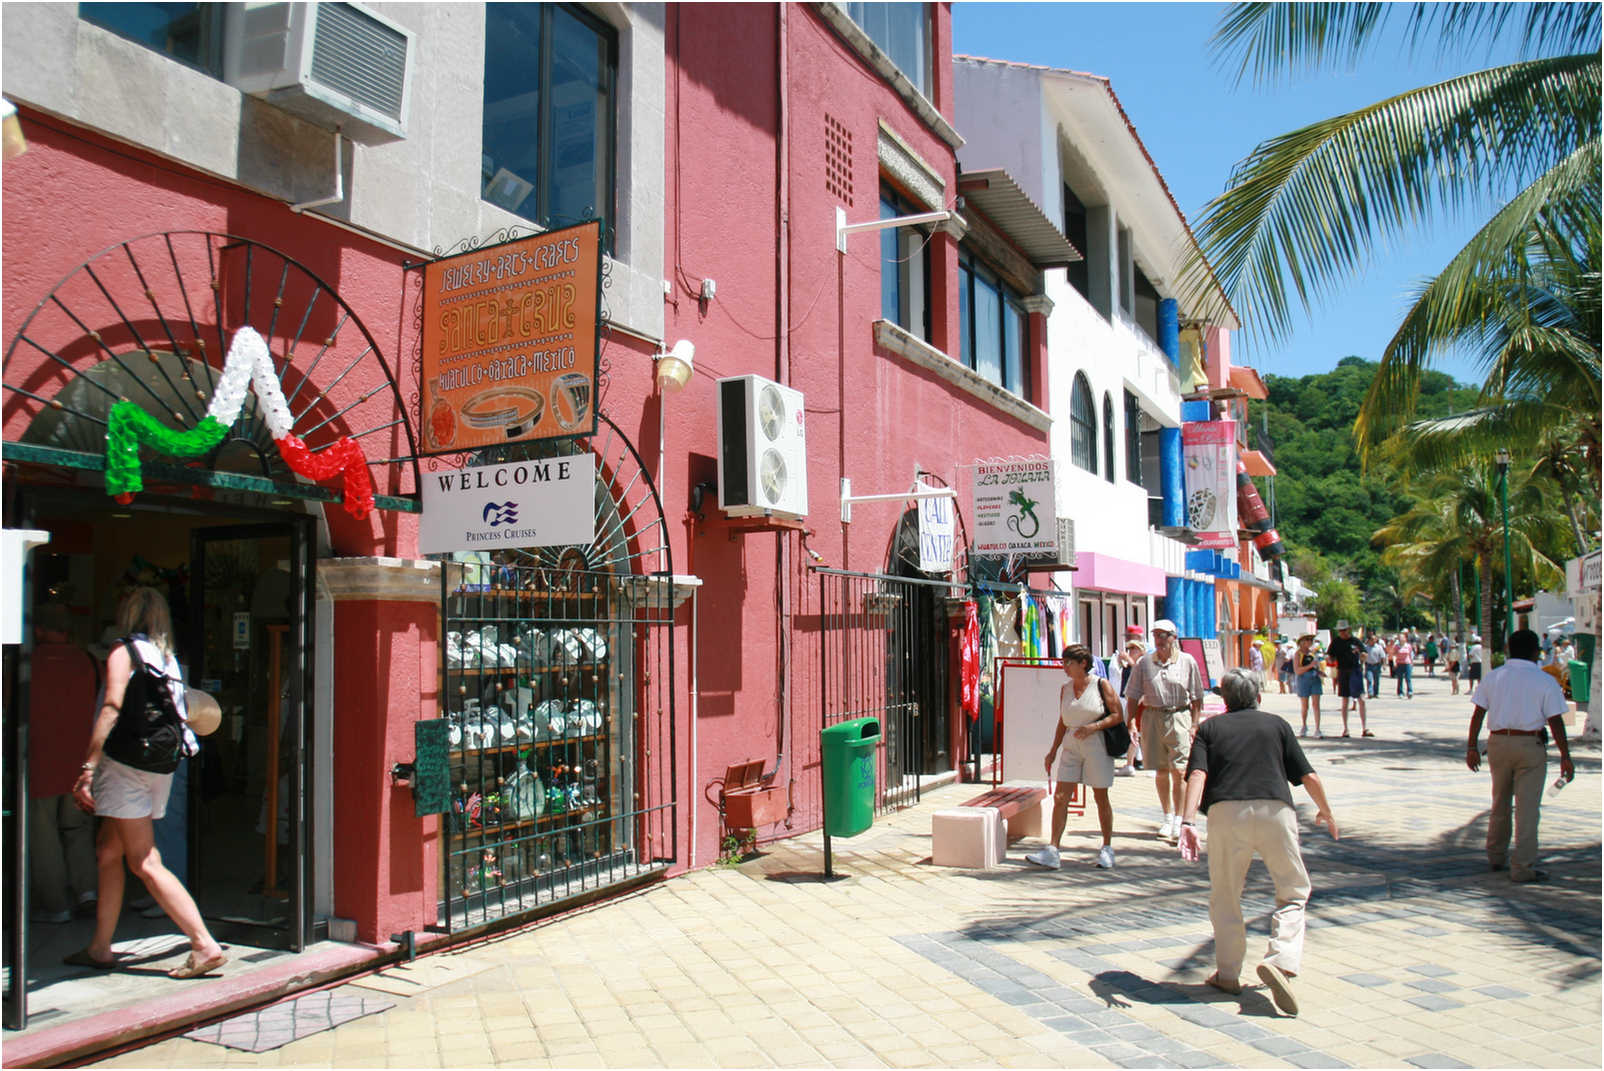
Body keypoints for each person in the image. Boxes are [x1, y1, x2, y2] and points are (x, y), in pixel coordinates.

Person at [70, 587, 227, 979]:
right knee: (109, 849)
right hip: (159, 764)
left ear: (126, 613)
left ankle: (203, 944)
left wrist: (88, 766)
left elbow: (111, 707)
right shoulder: (168, 658)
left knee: (144, 860)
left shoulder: (124, 652)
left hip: (125, 765)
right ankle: (100, 947)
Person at [1175, 668, 1338, 1016]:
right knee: (1293, 891)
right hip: (1275, 811)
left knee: (1225, 894)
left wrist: (1187, 821)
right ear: (1258, 697)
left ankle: (1229, 974)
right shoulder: (1277, 725)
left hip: (1225, 814)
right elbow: (1307, 775)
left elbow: (1198, 774)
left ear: (1224, 699)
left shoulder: (1209, 728)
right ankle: (1281, 959)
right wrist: (1326, 811)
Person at [1465, 629, 1573, 883]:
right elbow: (1556, 721)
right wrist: (1566, 756)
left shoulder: (1494, 677)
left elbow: (1478, 714)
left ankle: (1495, 855)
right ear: (1536, 651)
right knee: (1527, 809)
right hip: (1530, 745)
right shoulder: (1545, 680)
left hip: (1498, 743)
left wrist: (1471, 747)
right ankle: (1522, 867)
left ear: (1509, 650)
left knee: (1500, 801)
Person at [27, 602, 101, 924]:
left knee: (43, 836)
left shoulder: (27, 663)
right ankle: (87, 892)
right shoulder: (90, 662)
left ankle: (56, 905)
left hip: (39, 759)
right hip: (81, 761)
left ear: (39, 629)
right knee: (78, 831)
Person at [1026, 645, 1123, 869]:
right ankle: (1053, 849)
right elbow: (1063, 720)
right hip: (1071, 743)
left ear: (1083, 663)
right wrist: (1053, 751)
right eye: (1063, 662)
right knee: (1061, 797)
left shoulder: (1101, 685)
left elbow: (1118, 714)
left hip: (1096, 743)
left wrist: (1094, 727)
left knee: (1100, 796)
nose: (1064, 667)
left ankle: (1107, 847)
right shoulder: (1065, 688)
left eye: (1068, 663)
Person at [1129, 619, 1205, 841]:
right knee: (1161, 770)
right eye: (1157, 635)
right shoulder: (1144, 663)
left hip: (1179, 715)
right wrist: (1131, 722)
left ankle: (1181, 818)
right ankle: (1167, 816)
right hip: (1152, 716)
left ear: (1174, 638)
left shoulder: (1187, 661)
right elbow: (1132, 694)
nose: (1160, 640)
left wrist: (1194, 724)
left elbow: (1197, 696)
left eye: (1165, 635)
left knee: (1180, 770)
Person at [1328, 621, 1369, 738]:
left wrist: (1363, 656)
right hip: (1343, 671)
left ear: (1348, 630)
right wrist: (1330, 659)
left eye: (1344, 630)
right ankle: (1346, 729)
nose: (1342, 632)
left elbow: (1364, 653)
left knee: (1361, 699)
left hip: (1355, 670)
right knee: (1345, 701)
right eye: (1340, 630)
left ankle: (1364, 727)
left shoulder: (1355, 641)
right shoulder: (1336, 642)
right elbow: (1331, 655)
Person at [1115, 637, 1146, 775]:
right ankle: (1131, 763)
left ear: (1141, 651)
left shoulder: (1141, 662)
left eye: (1134, 648)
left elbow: (1139, 673)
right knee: (1135, 733)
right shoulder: (1134, 663)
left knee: (1137, 733)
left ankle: (1133, 763)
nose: (1131, 651)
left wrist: (1128, 660)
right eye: (1130, 648)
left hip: (1139, 702)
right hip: (1133, 701)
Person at [1292, 634, 1323, 737]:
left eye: (1311, 640)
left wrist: (1319, 672)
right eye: (1308, 640)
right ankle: (1304, 725)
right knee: (1305, 705)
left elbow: (1316, 667)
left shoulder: (1313, 653)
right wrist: (1310, 666)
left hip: (1315, 678)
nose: (1310, 642)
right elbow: (1297, 670)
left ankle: (1318, 728)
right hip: (1303, 679)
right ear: (1302, 642)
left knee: (1316, 704)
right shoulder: (1298, 654)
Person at [1364, 632, 1386, 699]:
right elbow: (1362, 656)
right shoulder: (1366, 647)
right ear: (1369, 640)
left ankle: (1376, 693)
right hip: (1369, 665)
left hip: (1377, 665)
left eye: (1374, 639)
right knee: (1369, 679)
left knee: (1376, 680)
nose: (1373, 641)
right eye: (1372, 639)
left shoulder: (1379, 647)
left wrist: (1384, 665)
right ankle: (1370, 693)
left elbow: (1383, 656)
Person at [1391, 634, 1414, 698]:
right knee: (1400, 679)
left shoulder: (1408, 646)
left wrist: (1412, 663)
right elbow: (1394, 655)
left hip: (1407, 663)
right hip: (1399, 664)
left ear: (1405, 639)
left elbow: (1411, 654)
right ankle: (1400, 692)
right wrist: (1394, 663)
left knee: (1408, 678)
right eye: (1400, 638)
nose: (1401, 639)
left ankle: (1410, 691)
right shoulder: (1396, 646)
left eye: (1402, 638)